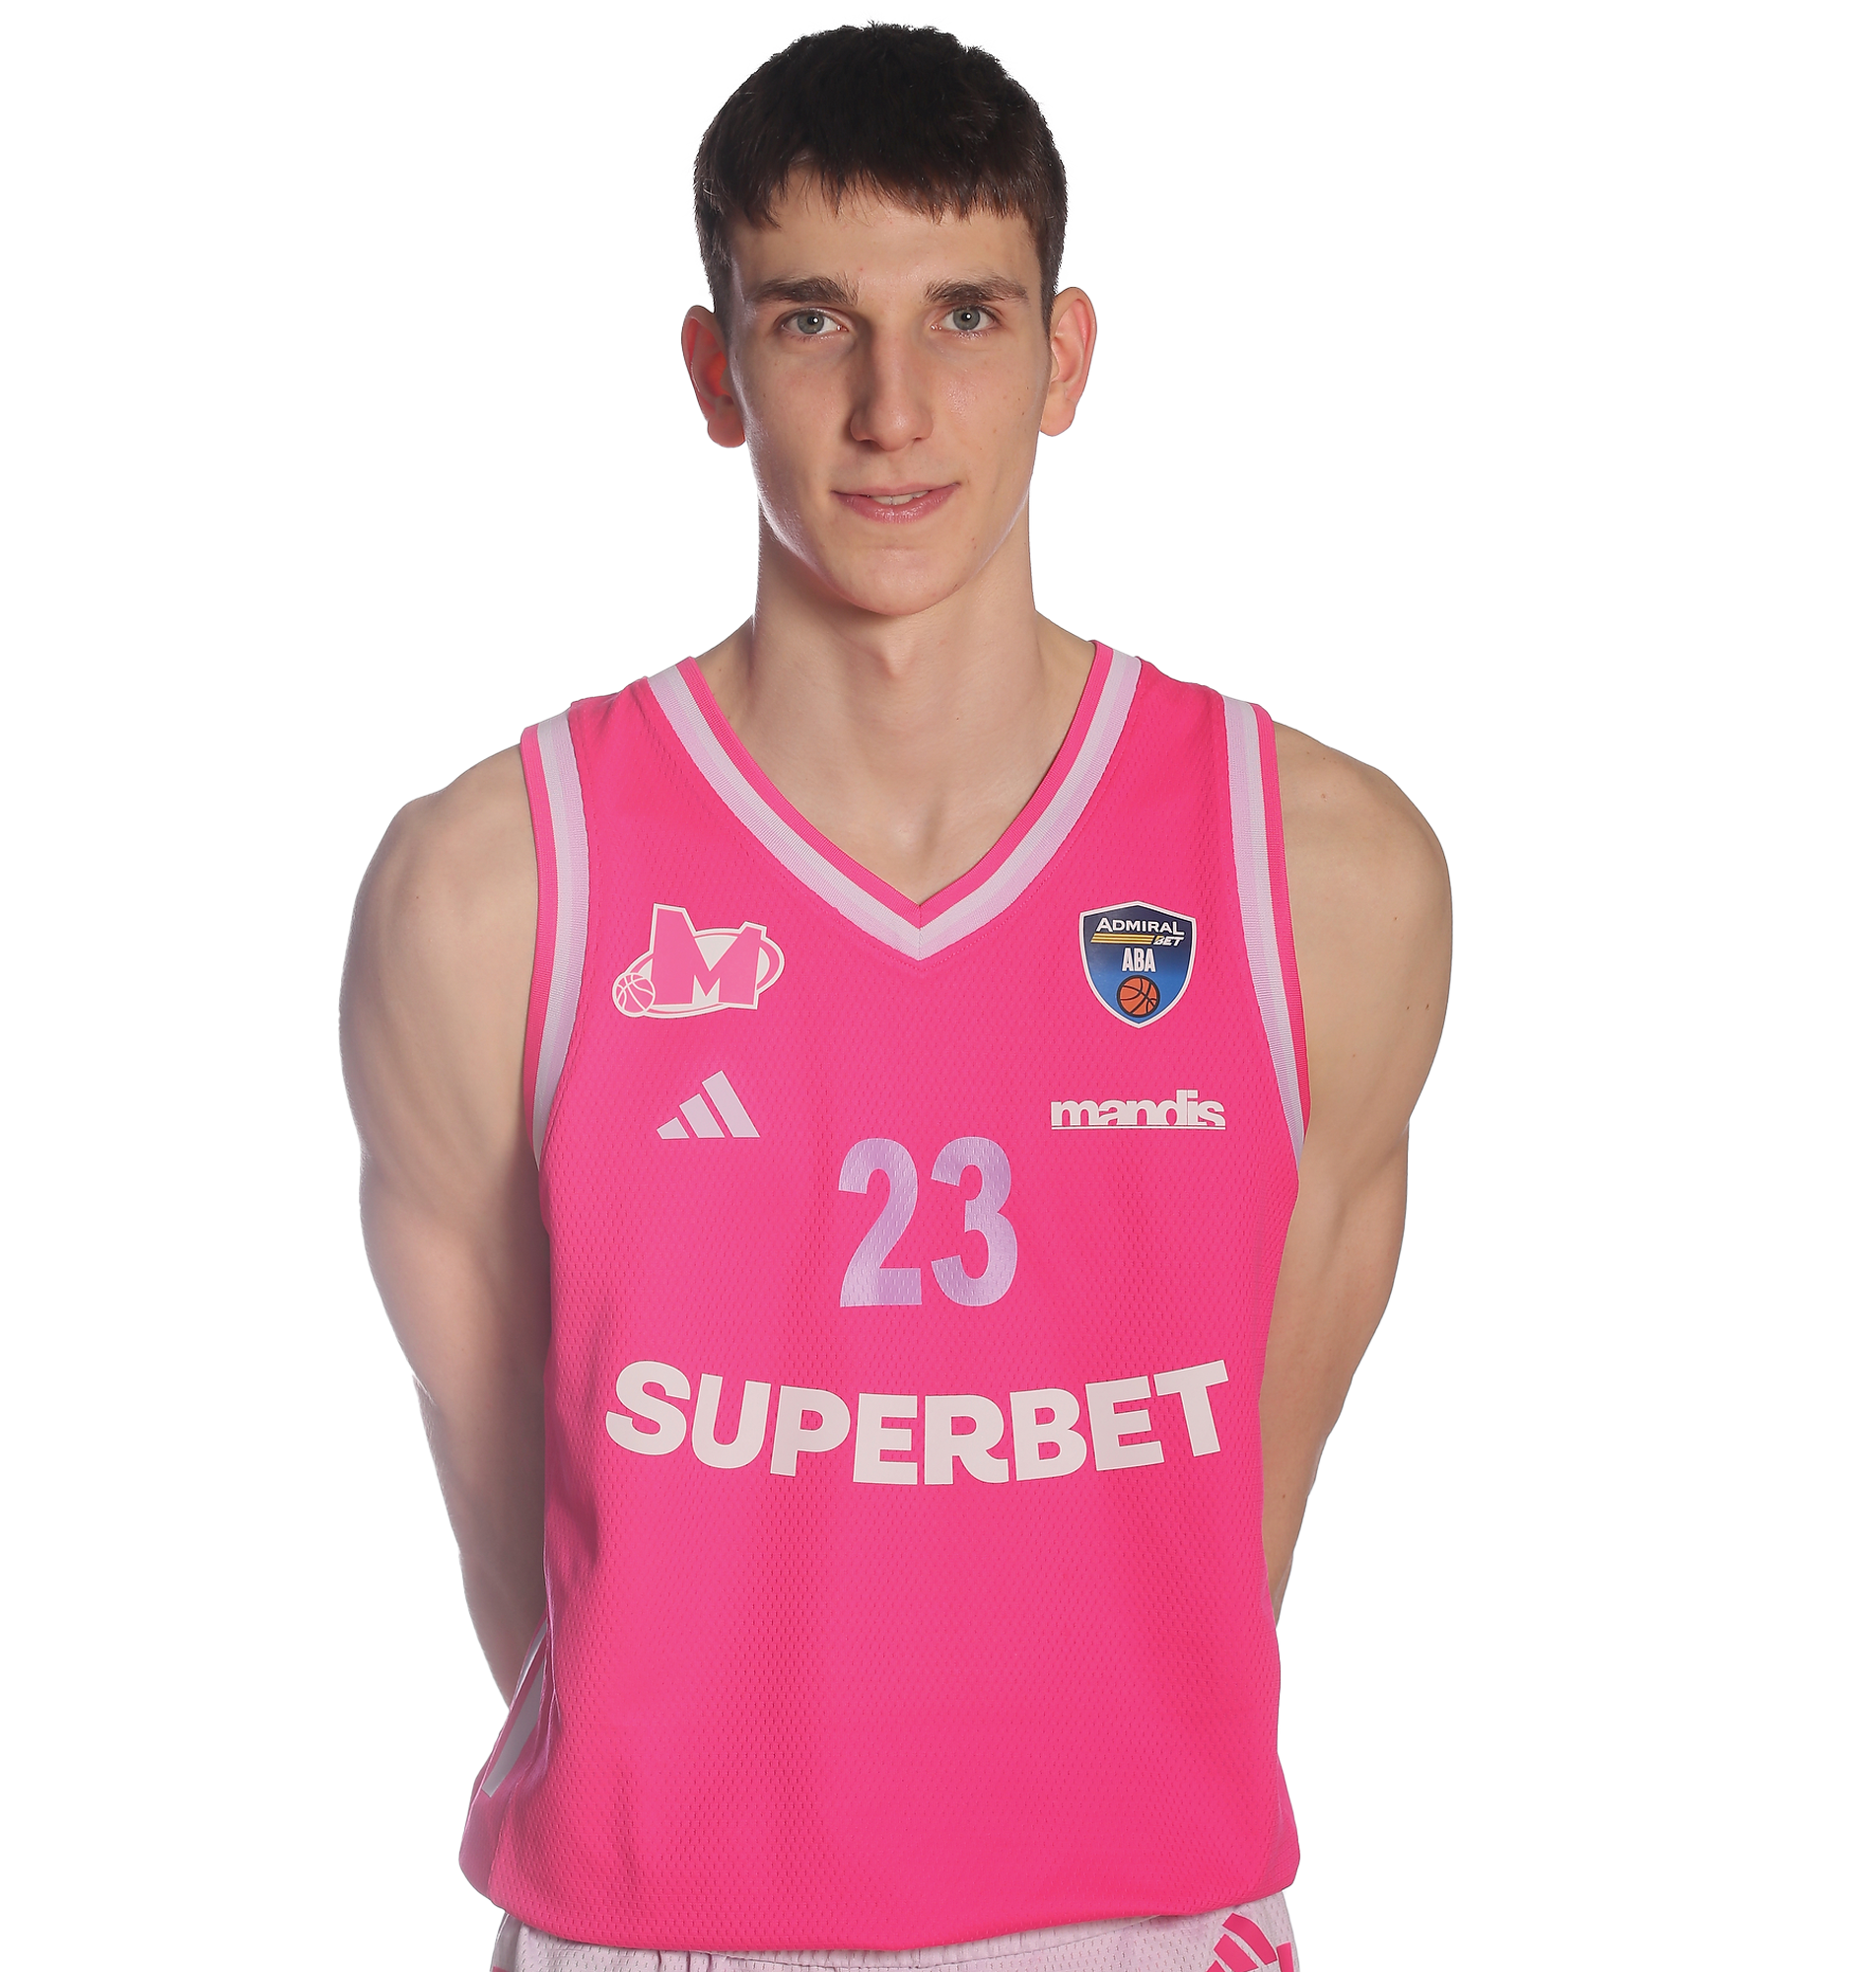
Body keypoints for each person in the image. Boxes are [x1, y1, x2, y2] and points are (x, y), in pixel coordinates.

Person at [340, 23, 1449, 1972]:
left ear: (1064, 357)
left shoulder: (1327, 881)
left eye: (965, 315)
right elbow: (533, 1528)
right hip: (660, 1920)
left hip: (1134, 1912)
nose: (894, 408)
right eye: (812, 322)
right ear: (716, 372)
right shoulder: (491, 891)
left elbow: (1224, 1528)